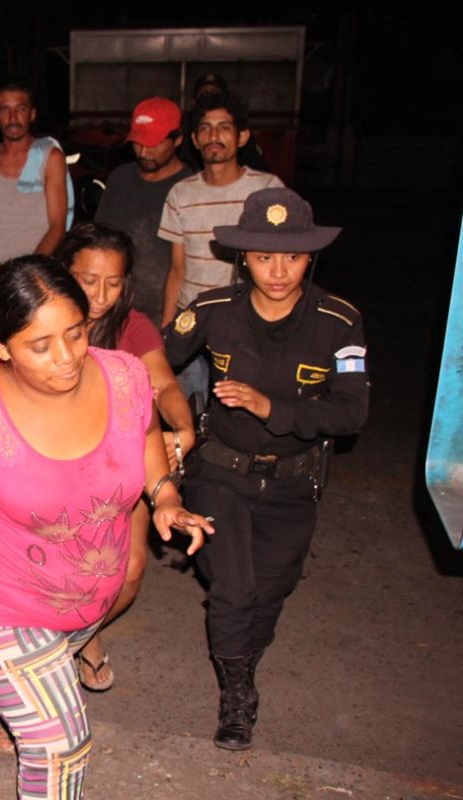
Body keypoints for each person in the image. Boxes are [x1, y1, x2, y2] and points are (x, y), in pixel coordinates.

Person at [0, 255, 210, 797]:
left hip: (89, 605)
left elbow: (146, 434)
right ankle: (12, 693)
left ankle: (6, 698)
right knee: (61, 747)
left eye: (75, 333)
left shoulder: (125, 376)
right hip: (2, 611)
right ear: (2, 346)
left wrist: (164, 494)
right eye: (40, 345)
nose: (67, 357)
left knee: (45, 698)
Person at [164, 187, 368, 751]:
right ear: (242, 258)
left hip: (294, 480)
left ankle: (242, 657)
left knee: (271, 591)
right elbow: (156, 367)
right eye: (262, 257)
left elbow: (352, 412)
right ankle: (237, 695)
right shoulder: (210, 310)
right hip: (219, 473)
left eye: (293, 257)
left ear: (311, 257)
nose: (278, 271)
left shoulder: (338, 320)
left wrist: (270, 408)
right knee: (233, 587)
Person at [55, 222, 196, 694]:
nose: (100, 294)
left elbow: (165, 383)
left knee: (130, 572)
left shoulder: (131, 326)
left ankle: (80, 638)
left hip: (122, 467)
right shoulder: (41, 320)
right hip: (55, 466)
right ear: (64, 273)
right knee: (55, 575)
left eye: (113, 283)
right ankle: (44, 664)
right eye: (88, 280)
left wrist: (184, 426)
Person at [159, 92, 283, 406]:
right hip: (193, 321)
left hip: (247, 325)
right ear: (195, 139)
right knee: (190, 409)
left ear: (242, 137)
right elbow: (177, 268)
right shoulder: (180, 194)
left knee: (238, 413)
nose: (214, 136)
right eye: (206, 128)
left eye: (224, 127)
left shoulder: (267, 190)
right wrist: (167, 329)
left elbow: (282, 266)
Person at [0, 82, 70, 373]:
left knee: (35, 354)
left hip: (35, 276)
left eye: (20, 109)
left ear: (32, 114)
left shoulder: (50, 158)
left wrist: (26, 271)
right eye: (5, 110)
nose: (13, 117)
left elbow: (57, 225)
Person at [93, 98, 193, 325]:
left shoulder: (189, 189)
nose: (145, 151)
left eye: (155, 143)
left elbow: (184, 268)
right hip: (115, 313)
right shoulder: (120, 178)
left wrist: (168, 329)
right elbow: (100, 244)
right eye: (138, 142)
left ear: (177, 139)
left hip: (165, 316)